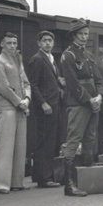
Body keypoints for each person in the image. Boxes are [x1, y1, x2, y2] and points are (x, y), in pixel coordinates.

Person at [60, 18, 103, 197]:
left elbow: (99, 79)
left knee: (90, 139)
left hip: (93, 102)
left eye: (86, 33)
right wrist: (89, 100)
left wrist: (100, 97)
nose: (84, 37)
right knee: (74, 140)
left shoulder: (89, 55)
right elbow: (72, 83)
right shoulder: (68, 55)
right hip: (78, 103)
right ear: (74, 35)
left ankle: (86, 180)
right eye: (80, 34)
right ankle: (69, 185)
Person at [0, 32, 32, 194]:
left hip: (21, 107)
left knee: (20, 146)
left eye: (14, 43)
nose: (12, 46)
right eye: (9, 43)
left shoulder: (18, 61)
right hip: (7, 108)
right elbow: (3, 88)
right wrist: (20, 102)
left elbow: (26, 83)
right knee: (5, 147)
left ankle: (17, 182)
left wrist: (27, 99)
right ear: (2, 44)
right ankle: (0, 184)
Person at [27, 30, 65, 188]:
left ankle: (47, 175)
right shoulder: (37, 59)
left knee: (52, 140)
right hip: (46, 107)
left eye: (50, 40)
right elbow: (33, 84)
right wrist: (42, 103)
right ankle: (43, 177)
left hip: (55, 104)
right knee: (45, 141)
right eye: (45, 40)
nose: (48, 43)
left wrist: (59, 81)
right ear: (39, 43)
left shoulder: (51, 58)